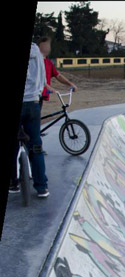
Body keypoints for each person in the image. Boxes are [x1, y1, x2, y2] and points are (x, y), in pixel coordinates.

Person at [12, 38, 50, 197]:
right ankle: (42, 187)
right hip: (33, 103)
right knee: (36, 145)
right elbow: (43, 80)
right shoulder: (36, 51)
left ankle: (14, 184)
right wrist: (36, 93)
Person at [37, 36, 75, 107]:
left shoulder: (48, 63)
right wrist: (48, 87)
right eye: (44, 46)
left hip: (43, 95)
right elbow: (36, 78)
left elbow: (58, 75)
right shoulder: (35, 62)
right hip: (33, 96)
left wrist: (70, 84)